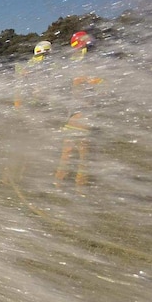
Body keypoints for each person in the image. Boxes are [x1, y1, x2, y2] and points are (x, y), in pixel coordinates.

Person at [54, 31, 103, 194]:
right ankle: (81, 189)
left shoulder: (73, 63)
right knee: (84, 157)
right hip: (84, 118)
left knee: (66, 154)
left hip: (72, 117)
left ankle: (59, 184)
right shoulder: (89, 65)